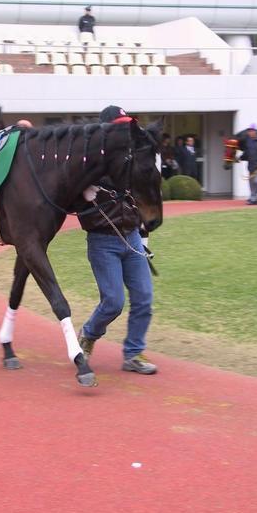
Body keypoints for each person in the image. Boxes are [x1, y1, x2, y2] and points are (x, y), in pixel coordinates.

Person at [76, 105, 157, 375]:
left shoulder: (132, 161)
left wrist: (144, 239)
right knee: (113, 302)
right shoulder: (86, 163)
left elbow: (143, 200)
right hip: (103, 241)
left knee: (144, 297)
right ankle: (88, 334)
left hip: (132, 238)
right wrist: (80, 192)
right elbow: (64, 194)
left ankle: (133, 354)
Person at [239, 125, 257, 205]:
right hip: (251, 166)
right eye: (249, 131)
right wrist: (240, 158)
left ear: (256, 131)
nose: (250, 132)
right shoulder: (248, 142)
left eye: (251, 131)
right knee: (251, 184)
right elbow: (246, 153)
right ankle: (255, 198)